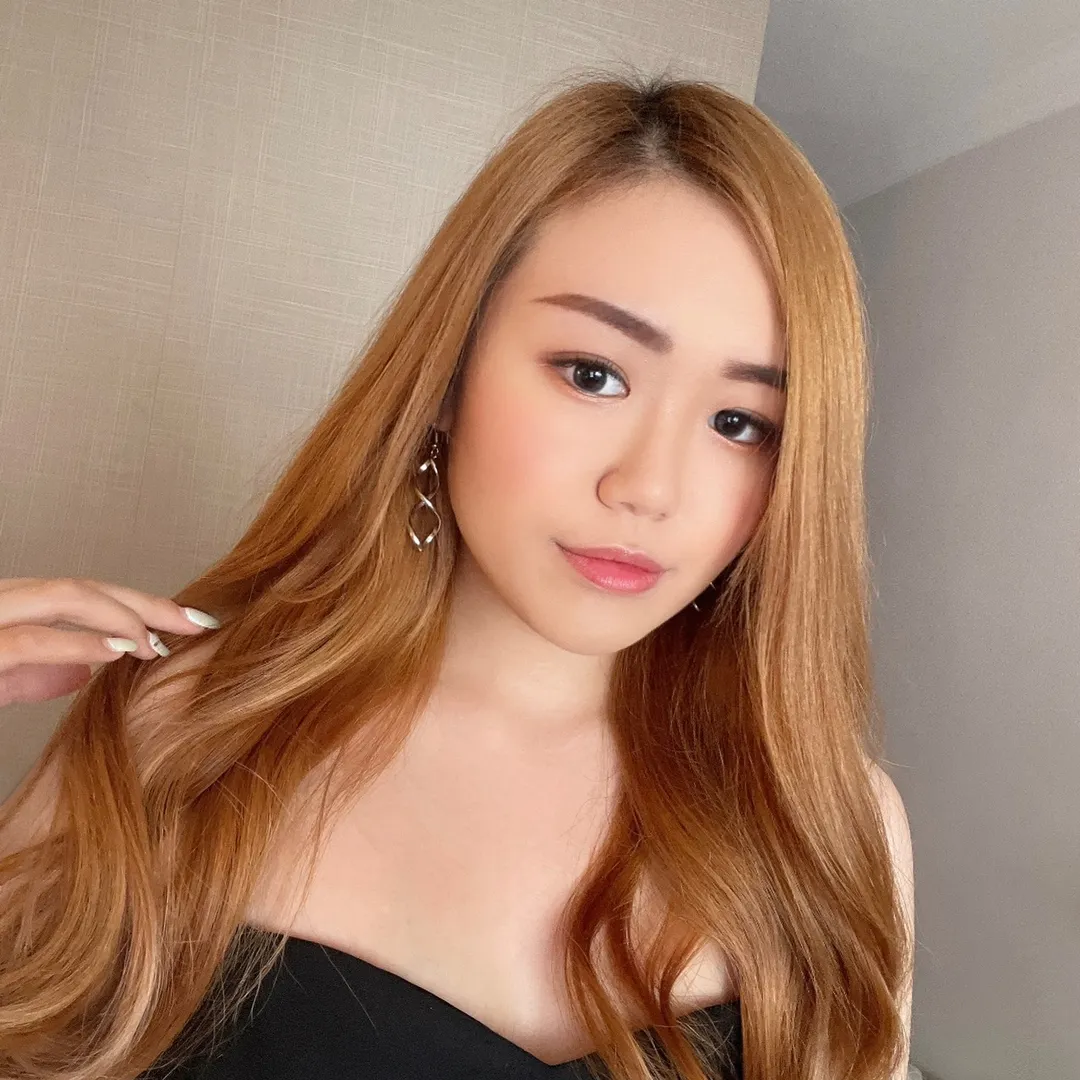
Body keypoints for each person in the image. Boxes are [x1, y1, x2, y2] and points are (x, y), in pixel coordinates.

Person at [0, 70, 914, 1080]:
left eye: (740, 423)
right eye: (593, 374)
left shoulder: (827, 821)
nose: (651, 488)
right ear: (448, 371)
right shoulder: (188, 731)